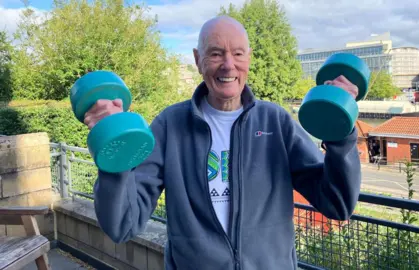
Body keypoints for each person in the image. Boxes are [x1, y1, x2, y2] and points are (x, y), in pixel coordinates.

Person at [85, 15, 361, 270]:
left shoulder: (276, 122)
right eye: (216, 53)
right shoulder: (169, 126)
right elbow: (122, 225)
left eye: (238, 53)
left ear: (249, 58)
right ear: (198, 59)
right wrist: (114, 152)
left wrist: (341, 134)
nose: (228, 65)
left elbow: (337, 204)